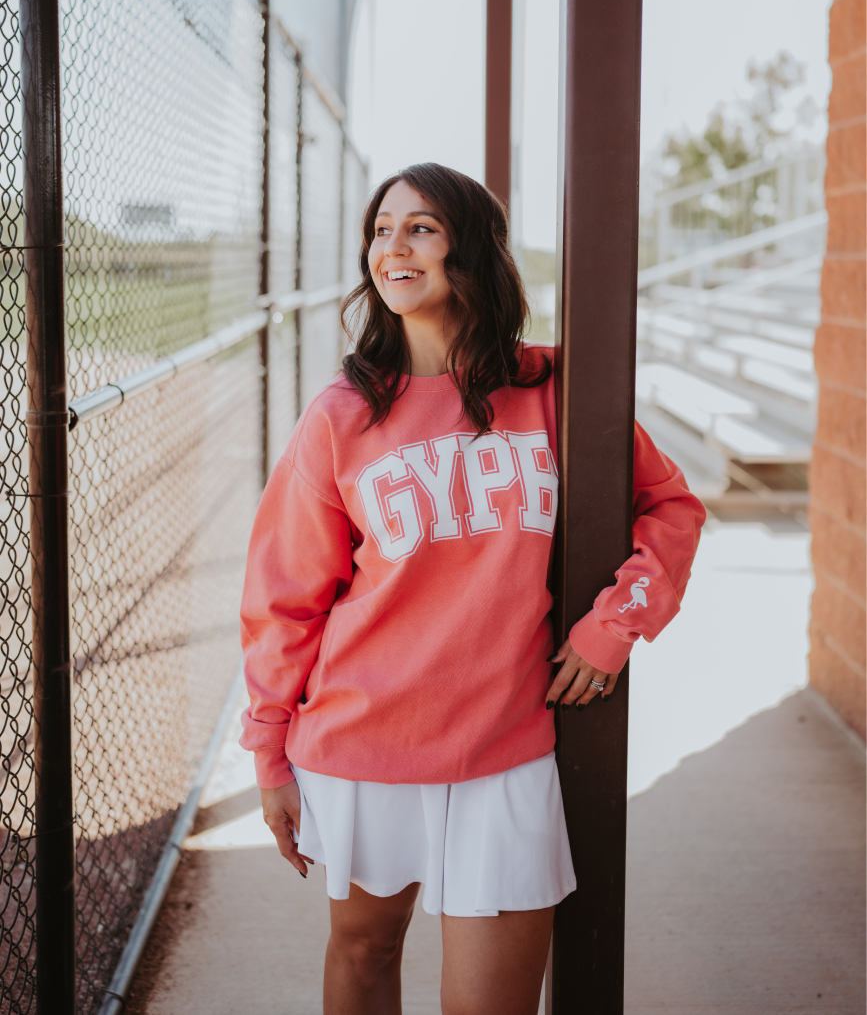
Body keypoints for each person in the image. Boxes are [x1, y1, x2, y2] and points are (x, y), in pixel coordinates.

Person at [240, 163, 705, 1015]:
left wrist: (615, 625)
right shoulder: (341, 415)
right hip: (361, 739)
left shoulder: (553, 387)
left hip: (503, 747)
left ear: (472, 250)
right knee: (365, 950)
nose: (393, 247)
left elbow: (669, 505)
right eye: (381, 230)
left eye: (420, 227)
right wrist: (269, 747)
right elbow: (286, 596)